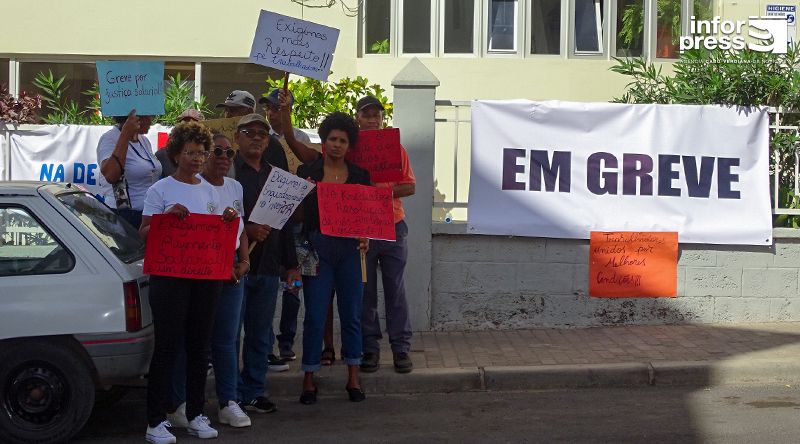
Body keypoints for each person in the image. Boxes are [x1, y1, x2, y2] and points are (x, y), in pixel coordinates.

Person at [140, 121, 238, 443]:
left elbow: (224, 233)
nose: (197, 158)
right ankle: (156, 420)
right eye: (191, 152)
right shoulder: (161, 190)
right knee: (167, 348)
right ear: (177, 153)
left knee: (200, 347)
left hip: (206, 279)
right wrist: (167, 219)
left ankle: (196, 414)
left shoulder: (211, 191)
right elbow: (144, 233)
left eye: (202, 153)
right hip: (169, 279)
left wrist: (226, 221)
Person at [166, 133, 252, 430]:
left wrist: (243, 262)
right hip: (197, 276)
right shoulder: (192, 190)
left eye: (230, 153)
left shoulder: (235, 187)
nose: (224, 158)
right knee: (188, 343)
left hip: (229, 275)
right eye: (217, 151)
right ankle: (179, 405)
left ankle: (229, 402)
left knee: (226, 341)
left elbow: (239, 229)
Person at [296, 111, 370, 405]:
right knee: (314, 315)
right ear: (324, 141)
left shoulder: (361, 176)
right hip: (317, 249)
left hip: (351, 251)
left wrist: (366, 236)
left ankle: (353, 376)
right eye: (332, 139)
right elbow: (296, 215)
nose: (337, 144)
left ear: (349, 145)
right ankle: (309, 378)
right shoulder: (307, 173)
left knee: (352, 315)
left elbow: (368, 216)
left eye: (343, 140)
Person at [233, 113, 302, 412]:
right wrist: (246, 230)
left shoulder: (277, 177)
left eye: (263, 133)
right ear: (238, 137)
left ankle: (254, 391)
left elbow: (284, 225)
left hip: (269, 267)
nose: (258, 137)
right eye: (250, 131)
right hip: (234, 268)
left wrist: (291, 265)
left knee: (261, 335)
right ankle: (231, 395)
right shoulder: (227, 173)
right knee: (229, 336)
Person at [356, 95, 417, 374]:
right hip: (362, 228)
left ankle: (401, 349)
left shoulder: (396, 149)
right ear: (357, 117)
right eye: (366, 114)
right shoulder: (351, 149)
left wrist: (380, 193)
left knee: (395, 290)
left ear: (382, 118)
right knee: (365, 292)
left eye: (376, 115)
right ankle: (370, 349)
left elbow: (409, 187)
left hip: (393, 225)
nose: (372, 119)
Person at [259, 88, 314, 363]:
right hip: (268, 222)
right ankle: (266, 345)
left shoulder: (301, 139)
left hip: (295, 224)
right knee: (267, 284)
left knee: (293, 284)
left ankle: (287, 342)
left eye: (277, 108)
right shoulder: (260, 139)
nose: (272, 113)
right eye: (268, 108)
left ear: (288, 109)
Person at [97, 109, 161, 228]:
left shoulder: (144, 140)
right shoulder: (109, 138)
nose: (152, 119)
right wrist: (125, 134)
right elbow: (110, 175)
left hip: (146, 215)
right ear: (136, 117)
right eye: (149, 114)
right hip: (123, 218)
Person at [156, 108, 204, 178]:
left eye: (194, 125)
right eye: (184, 124)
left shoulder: (211, 154)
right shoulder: (162, 155)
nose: (188, 128)